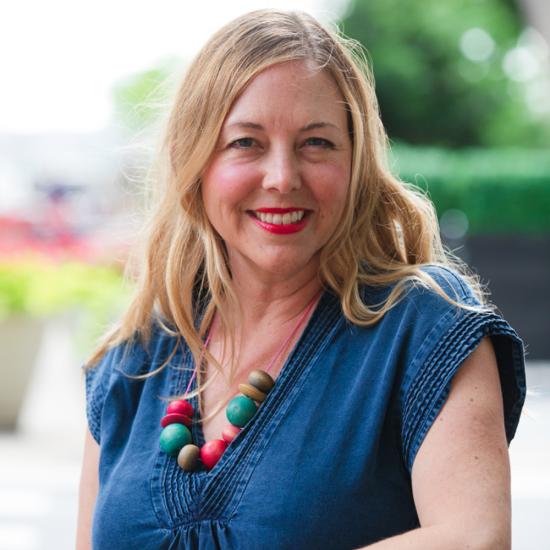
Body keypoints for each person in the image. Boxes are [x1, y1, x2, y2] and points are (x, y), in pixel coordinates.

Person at [76, 9, 526, 550]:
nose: (282, 177)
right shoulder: (133, 359)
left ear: (357, 163)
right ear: (193, 160)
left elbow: (475, 539)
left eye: (317, 143)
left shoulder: (426, 329)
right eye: (246, 142)